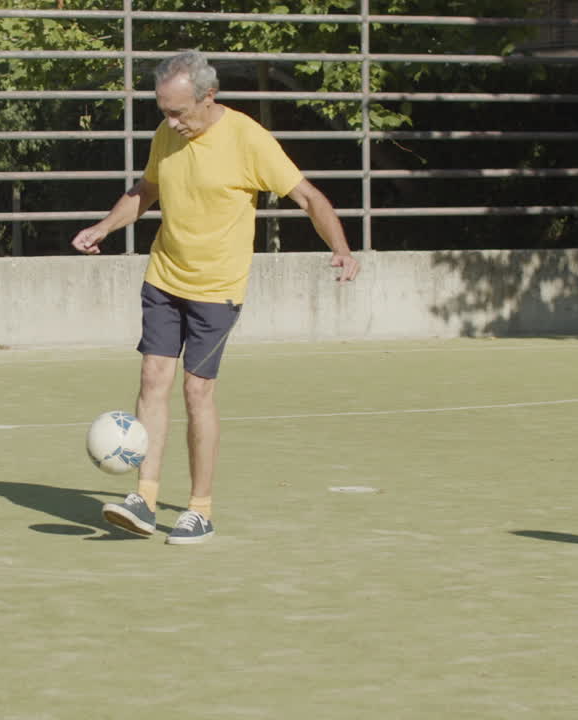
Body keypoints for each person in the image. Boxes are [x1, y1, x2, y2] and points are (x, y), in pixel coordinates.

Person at [71, 50, 360, 545]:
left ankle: (200, 509)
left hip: (216, 290)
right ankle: (143, 498)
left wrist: (341, 248)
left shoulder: (248, 139)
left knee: (196, 391)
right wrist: (103, 226)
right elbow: (146, 192)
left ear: (209, 97)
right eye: (164, 110)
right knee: (152, 379)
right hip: (164, 276)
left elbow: (308, 196)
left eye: (179, 111)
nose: (171, 121)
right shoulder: (168, 134)